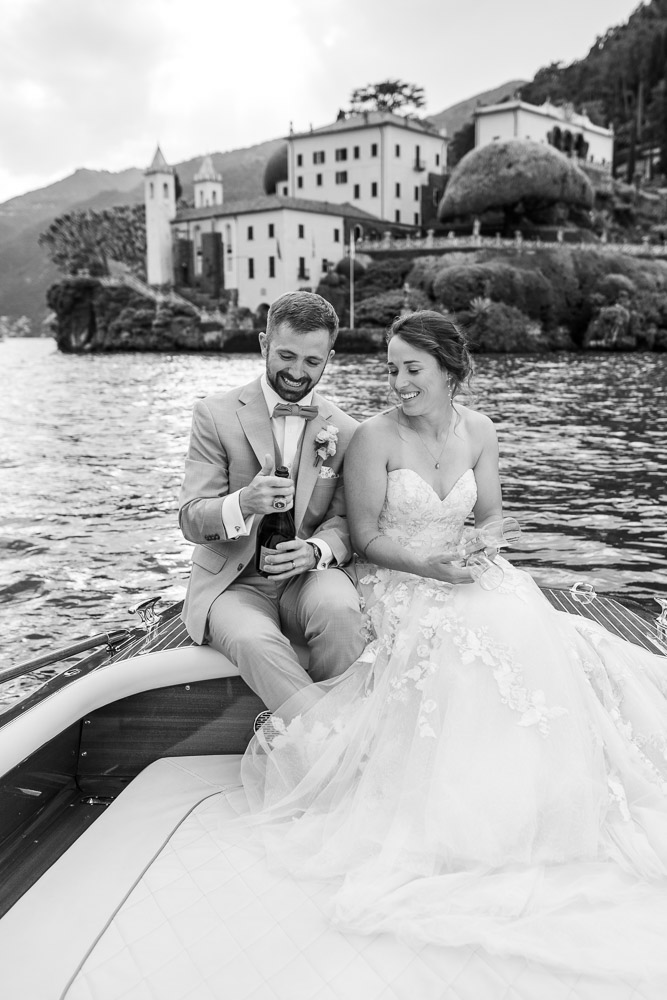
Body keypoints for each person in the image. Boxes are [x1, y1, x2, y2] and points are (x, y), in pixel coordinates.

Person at [238, 310, 667, 983]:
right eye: (390, 369)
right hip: (398, 578)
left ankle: (544, 803)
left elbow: (490, 513)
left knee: (543, 633)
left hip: (466, 569)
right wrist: (430, 567)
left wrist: (482, 545)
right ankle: (468, 815)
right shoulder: (372, 437)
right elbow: (370, 536)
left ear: (448, 371)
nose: (398, 382)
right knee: (469, 642)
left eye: (412, 370)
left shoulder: (479, 430)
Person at [178, 290, 365, 712]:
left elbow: (347, 522)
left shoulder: (348, 430)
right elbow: (191, 519)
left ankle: (323, 742)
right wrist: (244, 501)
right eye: (286, 355)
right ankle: (332, 744)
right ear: (264, 344)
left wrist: (315, 550)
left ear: (329, 357)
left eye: (312, 361)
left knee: (341, 613)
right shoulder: (214, 414)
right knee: (252, 639)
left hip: (308, 577)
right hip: (233, 583)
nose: (297, 373)